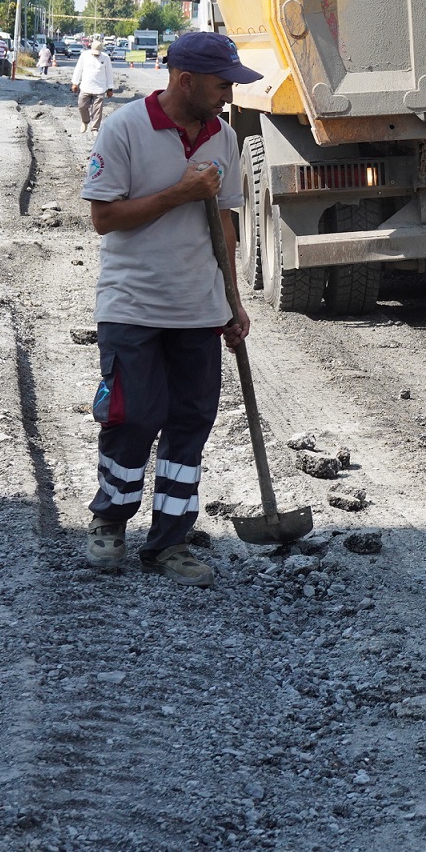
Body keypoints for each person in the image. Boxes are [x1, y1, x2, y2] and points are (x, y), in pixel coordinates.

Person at [78, 31, 260, 585]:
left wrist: (232, 299)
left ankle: (169, 542)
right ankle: (109, 520)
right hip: (132, 306)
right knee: (134, 417)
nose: (229, 93)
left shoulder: (223, 136)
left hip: (197, 308)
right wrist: (178, 194)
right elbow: (104, 219)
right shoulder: (125, 128)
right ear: (185, 80)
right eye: (222, 83)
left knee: (189, 423)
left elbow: (224, 223)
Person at [72, 36, 117, 133]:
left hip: (100, 88)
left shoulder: (105, 58)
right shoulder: (84, 55)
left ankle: (95, 128)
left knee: (97, 110)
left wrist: (110, 88)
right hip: (85, 86)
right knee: (82, 106)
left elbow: (109, 73)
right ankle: (85, 121)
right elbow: (78, 69)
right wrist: (75, 83)